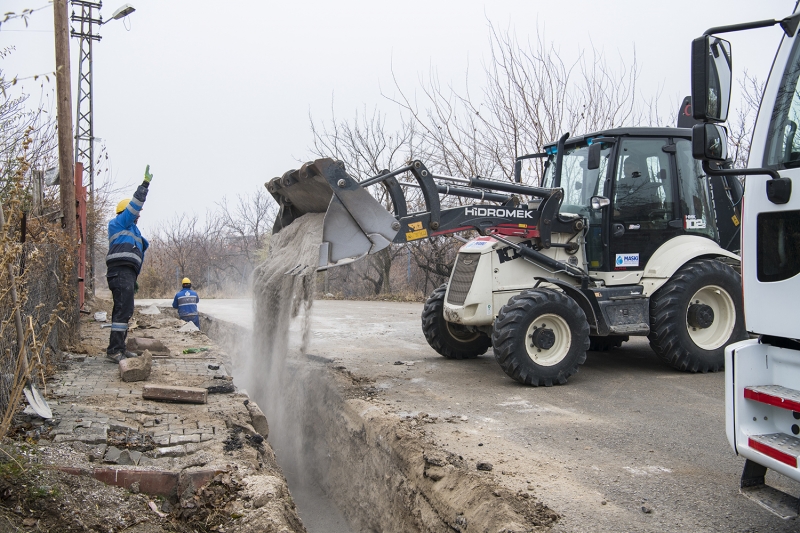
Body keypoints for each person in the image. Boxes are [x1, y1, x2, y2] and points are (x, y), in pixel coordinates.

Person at [105, 165, 153, 363]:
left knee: (125, 311)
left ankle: (120, 348)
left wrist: (134, 279)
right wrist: (144, 186)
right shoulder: (119, 222)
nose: (138, 216)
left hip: (127, 274)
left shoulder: (134, 233)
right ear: (124, 212)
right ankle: (114, 350)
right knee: (122, 310)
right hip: (120, 272)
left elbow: (141, 249)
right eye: (135, 214)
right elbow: (135, 207)